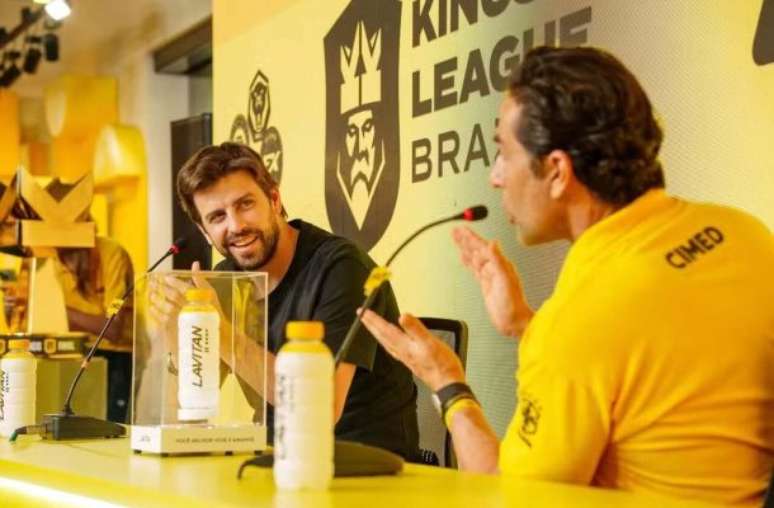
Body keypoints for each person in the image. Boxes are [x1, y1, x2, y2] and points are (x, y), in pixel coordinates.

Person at [359, 46, 774, 506]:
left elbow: (507, 495)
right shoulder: (745, 232)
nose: (495, 177)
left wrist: (445, 380)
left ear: (557, 171)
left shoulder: (582, 317)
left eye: (504, 153)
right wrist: (525, 325)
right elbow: (645, 364)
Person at [171, 142, 420, 460]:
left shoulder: (343, 268)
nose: (236, 226)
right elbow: (188, 412)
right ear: (204, 231)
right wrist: (179, 341)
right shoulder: (224, 280)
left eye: (245, 204)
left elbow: (320, 408)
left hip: (362, 463)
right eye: (217, 216)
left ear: (274, 199)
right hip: (274, 457)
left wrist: (220, 334)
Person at [53, 237, 134, 424]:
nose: (69, 268)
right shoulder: (49, 257)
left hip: (114, 358)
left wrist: (63, 313)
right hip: (72, 355)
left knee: (111, 427)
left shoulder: (111, 254)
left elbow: (113, 328)